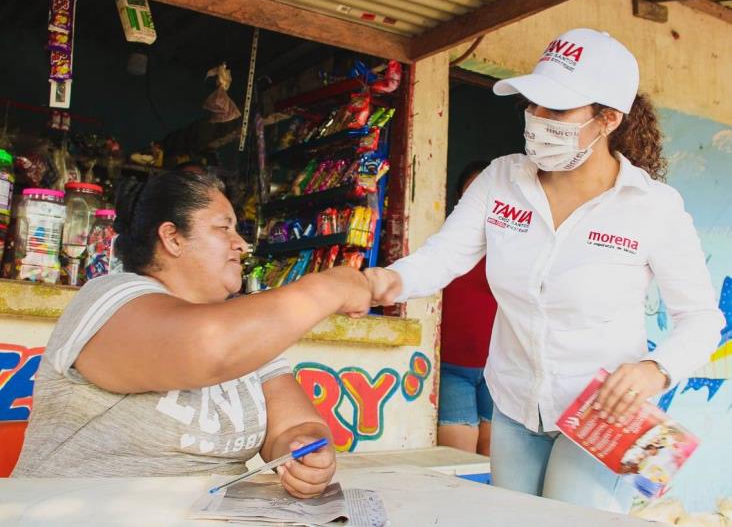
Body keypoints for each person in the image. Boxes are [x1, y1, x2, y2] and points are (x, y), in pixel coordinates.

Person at [363, 28, 723, 513]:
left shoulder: (652, 208)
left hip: (601, 414)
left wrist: (655, 370)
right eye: (533, 104)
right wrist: (386, 280)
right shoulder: (501, 180)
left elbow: (701, 320)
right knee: (512, 519)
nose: (536, 119)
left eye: (557, 109)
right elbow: (443, 256)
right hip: (512, 406)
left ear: (608, 119)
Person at [13, 171, 371, 500]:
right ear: (172, 238)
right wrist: (330, 288)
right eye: (224, 228)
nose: (241, 245)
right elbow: (210, 348)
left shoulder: (244, 326)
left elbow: (295, 424)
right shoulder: (109, 298)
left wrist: (303, 450)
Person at [438, 161, 497, 456]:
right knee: (457, 463)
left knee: (492, 462)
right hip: (451, 369)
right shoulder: (443, 243)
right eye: (469, 194)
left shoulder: (516, 245)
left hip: (498, 370)